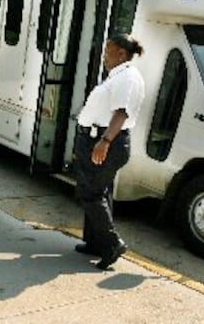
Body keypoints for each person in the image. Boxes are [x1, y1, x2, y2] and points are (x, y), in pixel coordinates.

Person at [73, 33, 145, 270]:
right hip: (99, 139)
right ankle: (95, 242)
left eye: (107, 51)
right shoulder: (119, 75)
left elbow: (121, 113)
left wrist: (104, 141)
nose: (104, 56)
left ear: (121, 54)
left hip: (106, 141)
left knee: (91, 193)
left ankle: (112, 243)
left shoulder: (127, 78)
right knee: (99, 192)